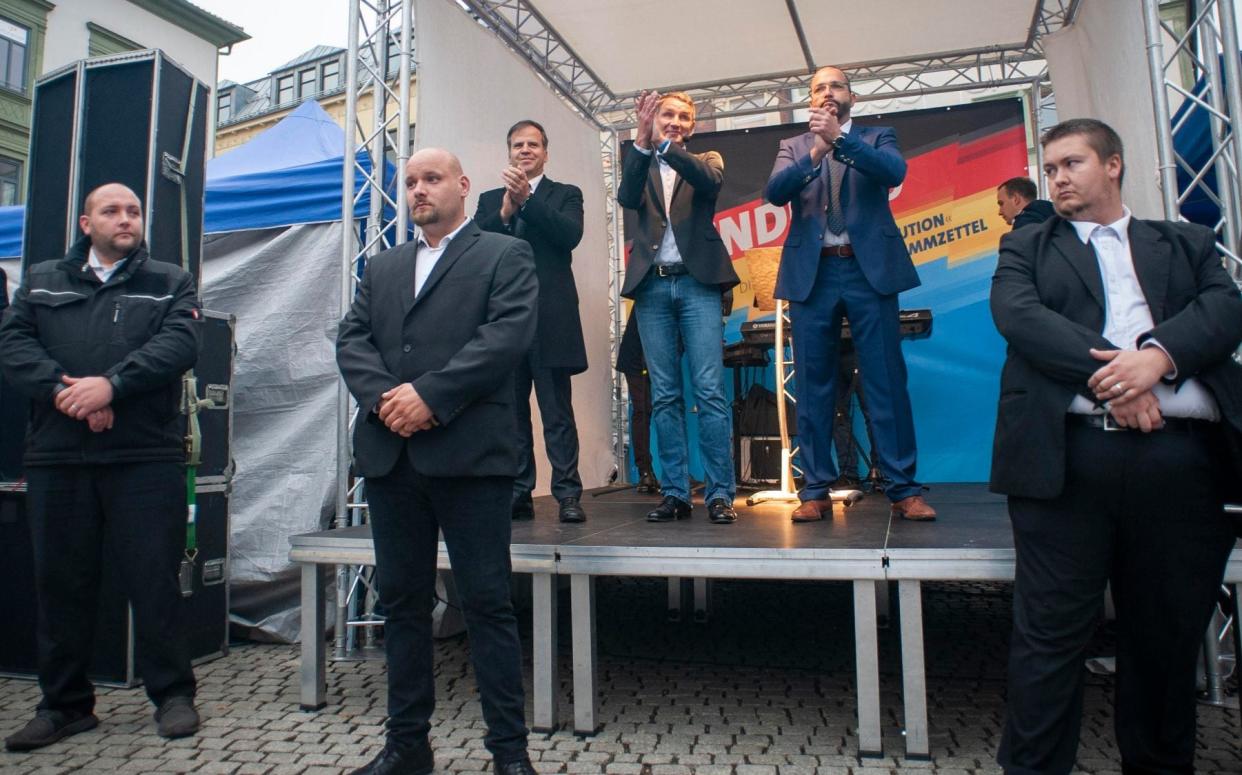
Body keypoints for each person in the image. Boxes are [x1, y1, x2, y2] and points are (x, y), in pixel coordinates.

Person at [990, 118, 1242, 775]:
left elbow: (1224, 310)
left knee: (1163, 639)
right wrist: (1117, 380)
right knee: (1047, 642)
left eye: (1071, 163)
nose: (1058, 178)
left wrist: (1157, 358)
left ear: (1113, 165)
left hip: (1179, 464)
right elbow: (1020, 317)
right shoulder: (1028, 247)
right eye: (1050, 168)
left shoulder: (1183, 241)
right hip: (1067, 461)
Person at [336, 148, 538, 775]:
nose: (419, 189)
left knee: (487, 604)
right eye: (411, 182)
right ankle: (407, 747)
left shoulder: (504, 254)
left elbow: (505, 337)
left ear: (463, 186)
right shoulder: (385, 266)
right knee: (402, 603)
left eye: (432, 178)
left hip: (470, 456)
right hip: (393, 459)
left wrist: (430, 395)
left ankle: (509, 754)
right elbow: (353, 340)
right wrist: (386, 399)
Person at [0, 183, 202, 750]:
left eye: (133, 211)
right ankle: (64, 705)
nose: (125, 219)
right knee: (61, 583)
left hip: (144, 456)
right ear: (86, 223)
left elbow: (179, 346)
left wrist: (110, 387)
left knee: (154, 579)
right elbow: (13, 345)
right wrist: (68, 393)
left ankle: (174, 696)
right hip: (59, 456)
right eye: (111, 211)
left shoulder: (169, 281)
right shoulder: (42, 279)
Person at [764, 65, 935, 523]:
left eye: (836, 85)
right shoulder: (794, 146)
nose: (827, 92)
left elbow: (892, 171)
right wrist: (815, 152)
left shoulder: (878, 137)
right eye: (819, 87)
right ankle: (815, 489)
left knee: (885, 381)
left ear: (851, 98)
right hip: (812, 275)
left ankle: (903, 489)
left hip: (868, 271)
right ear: (809, 100)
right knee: (813, 385)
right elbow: (774, 193)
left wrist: (840, 138)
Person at [617, 90, 740, 525]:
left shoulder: (708, 158)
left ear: (691, 125)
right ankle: (675, 493)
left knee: (709, 390)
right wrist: (641, 141)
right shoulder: (642, 160)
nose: (673, 121)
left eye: (682, 117)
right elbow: (627, 197)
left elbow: (710, 183)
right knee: (664, 394)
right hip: (653, 287)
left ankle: (721, 493)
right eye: (666, 114)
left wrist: (665, 145)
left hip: (698, 285)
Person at [475, 120, 588, 523]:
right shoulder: (490, 201)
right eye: (518, 144)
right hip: (505, 323)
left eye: (533, 144)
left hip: (551, 320)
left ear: (545, 152)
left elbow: (569, 236)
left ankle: (568, 495)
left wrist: (529, 201)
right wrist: (507, 210)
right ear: (509, 152)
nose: (526, 150)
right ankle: (519, 492)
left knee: (557, 413)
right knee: (511, 414)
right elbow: (477, 250)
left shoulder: (565, 194)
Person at [615, 306, 658, 493]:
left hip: (652, 357)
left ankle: (651, 471)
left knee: (651, 410)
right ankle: (645, 471)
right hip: (637, 358)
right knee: (643, 410)